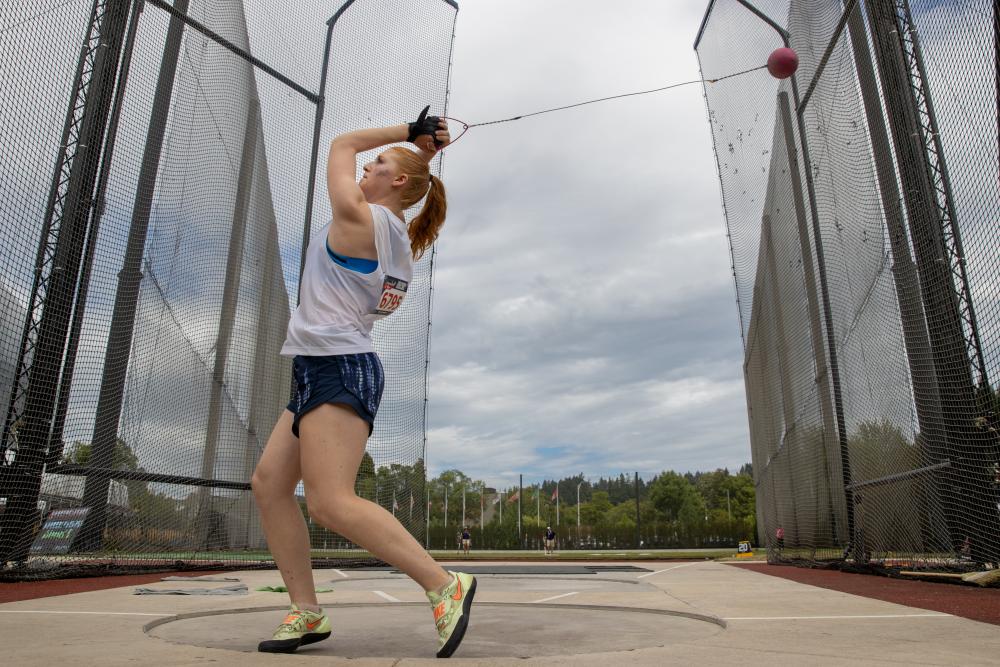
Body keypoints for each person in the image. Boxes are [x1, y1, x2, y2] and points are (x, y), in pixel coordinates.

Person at [251, 108, 475, 659]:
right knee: (269, 484)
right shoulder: (396, 234)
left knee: (330, 503)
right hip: (324, 364)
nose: (363, 169)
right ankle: (307, 612)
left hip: (337, 365)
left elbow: (343, 142)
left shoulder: (358, 218)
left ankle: (445, 583)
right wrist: (421, 149)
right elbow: (368, 163)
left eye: (376, 166)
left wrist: (407, 136)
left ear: (396, 182)